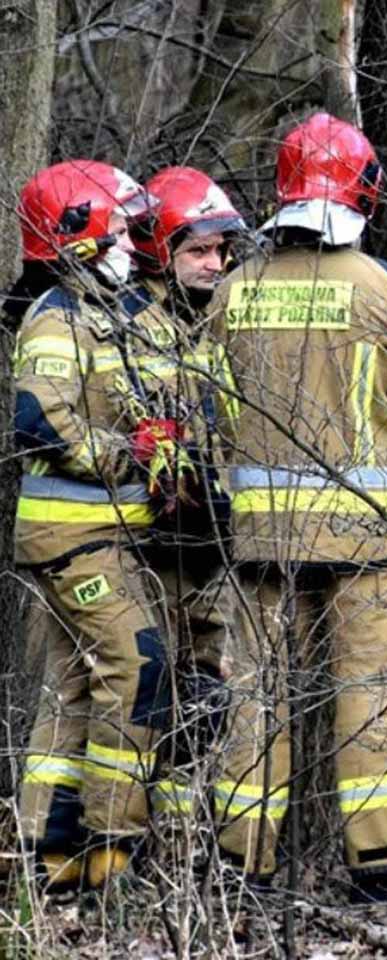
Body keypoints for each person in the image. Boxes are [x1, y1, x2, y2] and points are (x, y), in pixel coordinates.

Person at [207, 112, 387, 902]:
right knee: (374, 696)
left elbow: (206, 407)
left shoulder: (233, 289)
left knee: (255, 701)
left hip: (259, 539)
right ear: (360, 193)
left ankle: (242, 865)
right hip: (370, 538)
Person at [9, 160, 181, 892]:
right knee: (137, 668)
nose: (130, 238)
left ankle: (44, 851)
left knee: (75, 686)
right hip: (74, 537)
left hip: (98, 533)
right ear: (80, 233)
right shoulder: (56, 315)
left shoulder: (108, 312)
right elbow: (38, 420)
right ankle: (109, 846)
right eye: (118, 224)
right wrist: (129, 456)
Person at [127, 166, 248, 812]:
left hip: (209, 546)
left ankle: (177, 849)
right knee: (145, 694)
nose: (214, 263)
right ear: (159, 250)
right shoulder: (130, 328)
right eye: (198, 250)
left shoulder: (213, 328)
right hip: (145, 549)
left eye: (220, 251)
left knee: (204, 700)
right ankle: (124, 834)